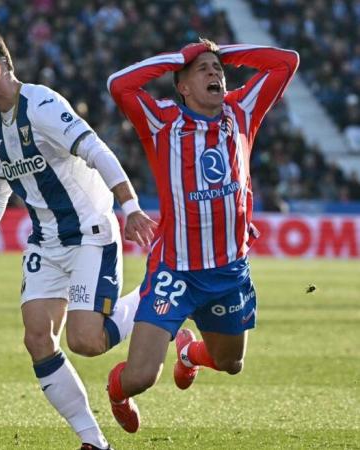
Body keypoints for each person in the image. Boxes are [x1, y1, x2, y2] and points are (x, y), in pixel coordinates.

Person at [0, 29, 157, 450]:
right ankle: (93, 441)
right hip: (46, 241)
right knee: (37, 337)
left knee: (87, 341)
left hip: (91, 234)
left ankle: (153, 296)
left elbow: (96, 150)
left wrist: (129, 206)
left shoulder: (42, 105)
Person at [104, 39, 299, 432]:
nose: (215, 73)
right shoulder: (161, 121)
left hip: (229, 272)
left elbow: (285, 63)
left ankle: (190, 355)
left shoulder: (242, 110)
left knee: (230, 363)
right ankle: (116, 391)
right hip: (175, 272)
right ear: (183, 87)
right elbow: (119, 85)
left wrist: (223, 52)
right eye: (203, 70)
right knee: (141, 377)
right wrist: (181, 57)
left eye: (218, 69)